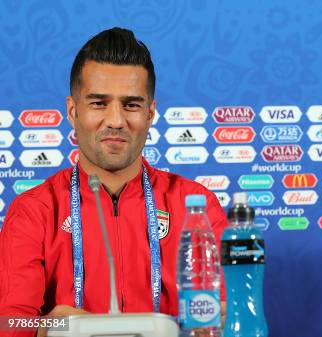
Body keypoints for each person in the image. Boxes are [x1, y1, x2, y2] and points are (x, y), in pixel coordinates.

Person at [0, 28, 228, 336]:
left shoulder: (196, 205)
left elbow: (229, 311)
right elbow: (9, 324)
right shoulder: (34, 210)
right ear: (72, 110)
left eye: (131, 104)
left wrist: (221, 322)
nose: (116, 120)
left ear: (150, 112)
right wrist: (48, 328)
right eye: (98, 103)